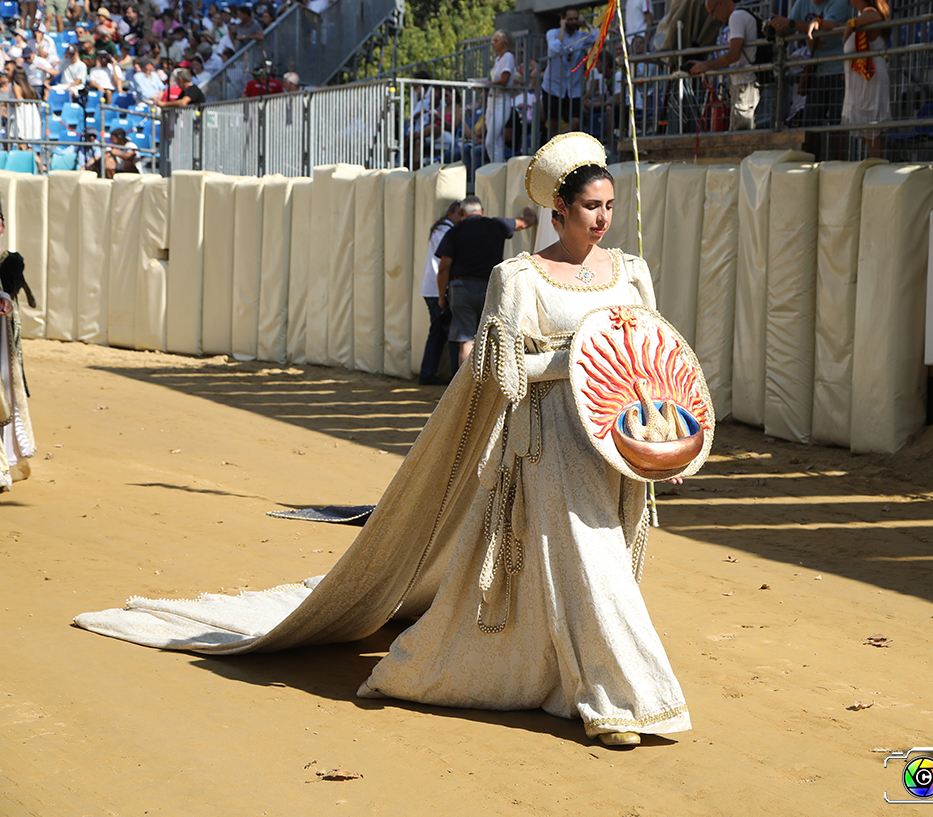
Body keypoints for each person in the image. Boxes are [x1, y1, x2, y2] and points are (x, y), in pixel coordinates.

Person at [74, 132, 701, 749]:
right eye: (592, 207)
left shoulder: (632, 272)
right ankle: (620, 703)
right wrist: (576, 358)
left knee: (594, 565)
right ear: (558, 209)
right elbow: (497, 372)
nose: (603, 219)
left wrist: (671, 441)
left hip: (614, 445)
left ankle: (561, 681)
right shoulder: (520, 278)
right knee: (589, 563)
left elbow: (652, 363)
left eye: (611, 206)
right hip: (544, 444)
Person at [436, 195, 537, 366]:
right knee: (490, 340)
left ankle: (466, 389)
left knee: (467, 341)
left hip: (460, 289)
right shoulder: (496, 225)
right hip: (489, 289)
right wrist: (529, 213)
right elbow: (524, 222)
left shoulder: (455, 231)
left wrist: (441, 297)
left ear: (461, 212)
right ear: (481, 211)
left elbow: (444, 267)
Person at [769, 0, 852, 128]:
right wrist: (776, 28)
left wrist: (790, 23)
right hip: (816, 71)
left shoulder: (839, 1)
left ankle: (838, 152)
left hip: (839, 70)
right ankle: (811, 152)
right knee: (810, 125)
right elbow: (789, 28)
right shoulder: (803, 1)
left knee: (839, 124)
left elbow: (823, 28)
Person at [0, 206, 36, 494]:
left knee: (6, 394)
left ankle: (6, 463)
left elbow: (9, 292)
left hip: (3, 340)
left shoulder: (10, 261)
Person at [689, 0, 759, 131]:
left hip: (744, 84)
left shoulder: (736, 17)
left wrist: (706, 65)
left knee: (740, 134)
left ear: (720, 3)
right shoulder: (741, 15)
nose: (714, 17)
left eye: (712, 11)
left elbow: (733, 54)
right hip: (744, 84)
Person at [841, 0, 891, 159]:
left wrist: (852, 23)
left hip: (869, 79)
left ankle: (875, 168)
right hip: (862, 80)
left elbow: (876, 14)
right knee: (867, 132)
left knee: (871, 132)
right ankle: (873, 167)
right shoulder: (863, 17)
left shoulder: (868, 14)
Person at [417, 200, 464, 385]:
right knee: (449, 333)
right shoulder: (447, 232)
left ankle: (427, 373)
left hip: (431, 288)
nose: (461, 217)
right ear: (451, 213)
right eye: (459, 213)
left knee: (438, 332)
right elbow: (444, 265)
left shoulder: (439, 229)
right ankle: (450, 376)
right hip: (438, 289)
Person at [540, 8, 594, 144]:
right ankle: (553, 147)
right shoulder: (552, 33)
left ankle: (556, 143)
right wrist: (562, 28)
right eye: (570, 19)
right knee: (553, 122)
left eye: (576, 18)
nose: (573, 22)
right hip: (553, 87)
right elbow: (555, 48)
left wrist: (587, 25)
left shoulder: (581, 35)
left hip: (573, 88)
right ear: (563, 19)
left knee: (576, 121)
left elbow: (598, 38)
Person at [483, 29, 515, 165]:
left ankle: (497, 168)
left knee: (490, 141)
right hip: (491, 101)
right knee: (496, 141)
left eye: (496, 40)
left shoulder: (508, 57)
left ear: (505, 43)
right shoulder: (498, 59)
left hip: (501, 102)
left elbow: (504, 80)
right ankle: (499, 168)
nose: (493, 43)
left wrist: (487, 84)